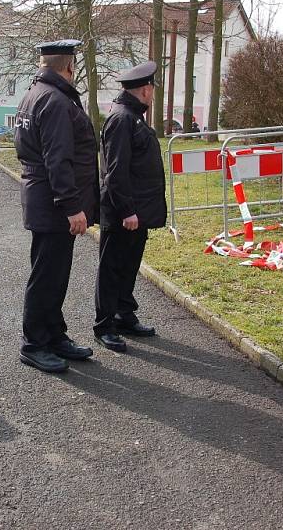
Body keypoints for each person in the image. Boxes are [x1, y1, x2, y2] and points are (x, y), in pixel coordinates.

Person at [14, 40, 99, 373]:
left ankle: (53, 335)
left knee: (54, 272)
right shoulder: (54, 100)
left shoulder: (36, 94)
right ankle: (34, 343)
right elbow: (58, 158)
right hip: (53, 202)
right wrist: (71, 206)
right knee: (46, 275)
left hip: (44, 199)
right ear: (69, 67)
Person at [94, 62, 167, 352]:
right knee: (112, 268)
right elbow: (115, 171)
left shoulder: (133, 117)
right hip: (124, 213)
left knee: (128, 265)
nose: (152, 95)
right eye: (152, 90)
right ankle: (104, 325)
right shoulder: (122, 119)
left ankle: (124, 313)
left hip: (138, 212)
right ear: (146, 90)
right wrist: (127, 211)